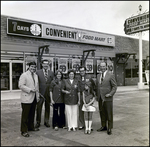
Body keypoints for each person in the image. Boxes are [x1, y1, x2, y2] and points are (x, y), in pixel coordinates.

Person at [18, 61, 40, 137]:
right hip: (26, 98)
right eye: (32, 66)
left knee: (32, 113)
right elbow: (21, 85)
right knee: (25, 115)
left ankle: (31, 127)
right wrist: (30, 90)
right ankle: (23, 130)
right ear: (29, 67)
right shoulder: (24, 75)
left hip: (34, 98)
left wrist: (38, 96)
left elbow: (37, 87)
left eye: (34, 67)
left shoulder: (36, 76)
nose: (33, 68)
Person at [96, 61, 117, 135]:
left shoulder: (110, 75)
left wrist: (110, 94)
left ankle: (109, 128)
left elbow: (114, 86)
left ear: (106, 66)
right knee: (102, 112)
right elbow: (97, 86)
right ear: (99, 67)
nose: (102, 68)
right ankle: (103, 126)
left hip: (108, 98)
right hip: (100, 98)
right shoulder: (98, 76)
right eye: (101, 66)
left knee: (109, 113)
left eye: (103, 66)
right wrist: (96, 95)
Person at [35, 59, 54, 128]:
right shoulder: (38, 72)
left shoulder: (51, 73)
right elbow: (36, 83)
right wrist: (37, 93)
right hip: (40, 93)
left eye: (47, 64)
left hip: (48, 93)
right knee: (39, 107)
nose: (46, 65)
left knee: (47, 107)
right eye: (44, 64)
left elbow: (52, 83)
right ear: (42, 64)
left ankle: (46, 121)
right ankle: (38, 121)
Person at [78, 66, 95, 130]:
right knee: (81, 110)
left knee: (89, 110)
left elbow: (93, 86)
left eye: (83, 71)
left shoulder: (89, 77)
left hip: (88, 95)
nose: (81, 72)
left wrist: (92, 95)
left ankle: (90, 125)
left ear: (85, 71)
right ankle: (82, 124)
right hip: (81, 95)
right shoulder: (78, 78)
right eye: (80, 71)